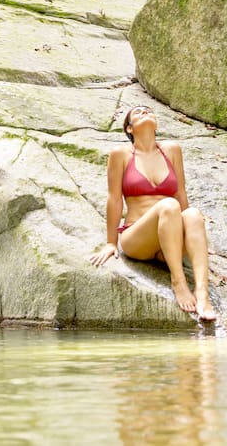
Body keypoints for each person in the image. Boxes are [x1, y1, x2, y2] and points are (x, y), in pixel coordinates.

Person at [90, 105, 216, 322]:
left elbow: (181, 193)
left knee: (194, 214)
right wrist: (111, 242)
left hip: (169, 239)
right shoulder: (120, 155)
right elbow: (114, 199)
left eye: (148, 110)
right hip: (138, 239)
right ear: (130, 129)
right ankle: (178, 281)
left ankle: (202, 293)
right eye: (138, 112)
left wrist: (193, 237)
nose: (145, 112)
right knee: (168, 205)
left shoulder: (172, 150)